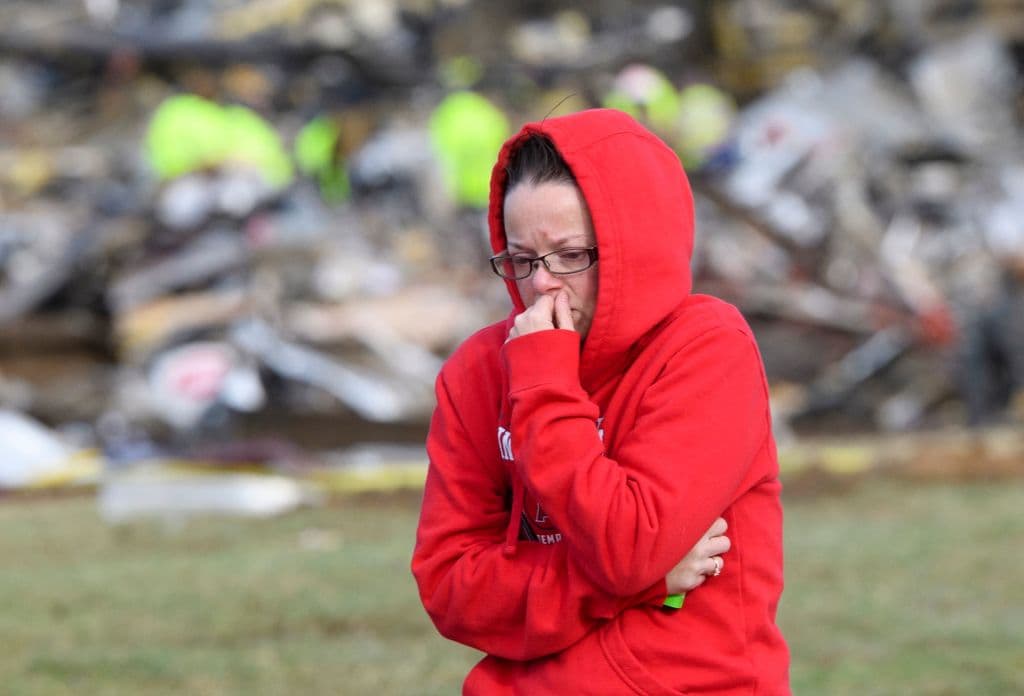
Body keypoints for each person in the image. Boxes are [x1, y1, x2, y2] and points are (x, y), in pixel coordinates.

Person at [412, 108, 789, 694]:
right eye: (520, 259)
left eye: (569, 255)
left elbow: (629, 547)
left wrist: (542, 383)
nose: (541, 285)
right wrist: (636, 583)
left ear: (631, 243)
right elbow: (450, 588)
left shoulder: (707, 347)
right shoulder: (477, 371)